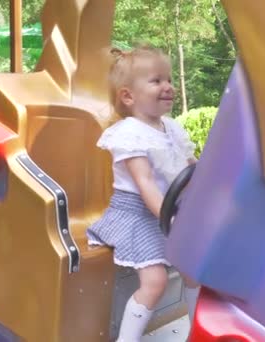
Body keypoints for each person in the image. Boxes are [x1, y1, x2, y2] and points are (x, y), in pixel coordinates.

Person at [86, 46, 200, 342]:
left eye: (169, 79)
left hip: (169, 211)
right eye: (157, 80)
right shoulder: (129, 134)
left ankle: (198, 333)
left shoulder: (172, 129)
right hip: (137, 215)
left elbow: (191, 168)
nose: (168, 86)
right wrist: (172, 221)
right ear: (128, 96)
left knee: (194, 270)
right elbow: (146, 185)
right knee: (155, 281)